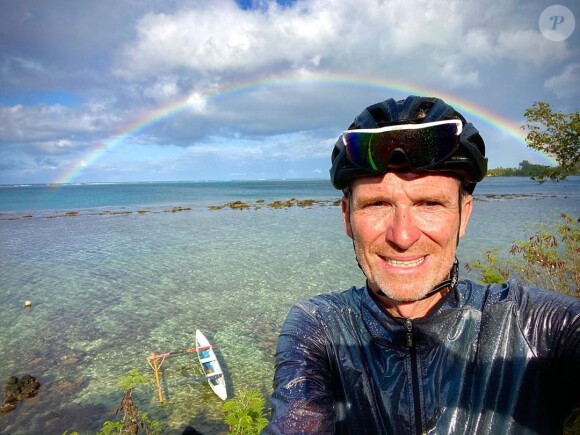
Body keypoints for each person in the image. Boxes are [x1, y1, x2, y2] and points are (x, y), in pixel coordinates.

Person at [264, 96, 580, 434]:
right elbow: (298, 420)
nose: (402, 236)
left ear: (464, 215)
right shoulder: (321, 327)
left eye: (429, 203)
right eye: (377, 204)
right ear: (347, 217)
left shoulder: (531, 324)